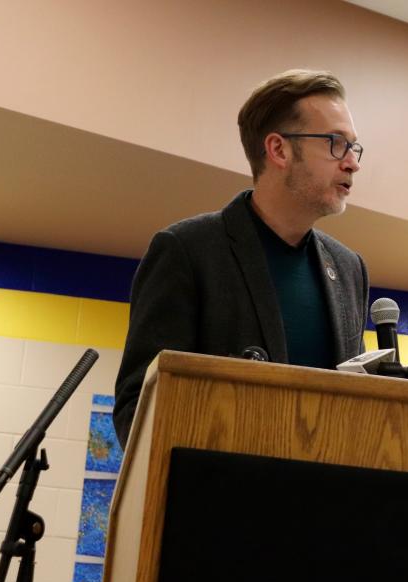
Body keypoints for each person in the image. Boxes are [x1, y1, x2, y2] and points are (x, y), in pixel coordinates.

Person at [113, 69, 368, 448]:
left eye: (354, 147)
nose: (352, 163)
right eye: (335, 143)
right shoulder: (186, 250)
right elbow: (139, 408)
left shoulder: (348, 269)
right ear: (279, 149)